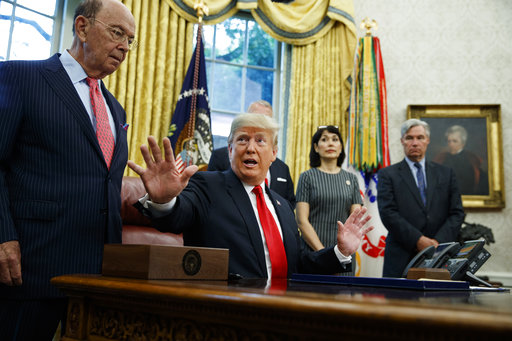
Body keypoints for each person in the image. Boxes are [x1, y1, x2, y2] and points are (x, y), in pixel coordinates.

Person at [0, 0, 135, 338]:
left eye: (130, 40)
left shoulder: (115, 110)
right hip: (30, 269)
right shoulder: (20, 77)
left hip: (96, 280)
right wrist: (2, 237)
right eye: (117, 33)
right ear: (82, 28)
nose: (124, 46)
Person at [128, 113, 374, 279]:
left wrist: (340, 251)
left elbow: (299, 263)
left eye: (260, 141)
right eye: (242, 140)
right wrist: (163, 200)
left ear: (274, 153)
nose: (251, 148)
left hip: (283, 313)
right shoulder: (207, 185)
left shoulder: (282, 206)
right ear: (231, 149)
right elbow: (175, 218)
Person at [377, 119, 465, 278]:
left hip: (440, 255)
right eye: (409, 138)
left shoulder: (446, 173)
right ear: (402, 141)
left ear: (428, 140)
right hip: (400, 257)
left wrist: (437, 244)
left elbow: (457, 213)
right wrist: (418, 240)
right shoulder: (387, 175)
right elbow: (388, 213)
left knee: (438, 302)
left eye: (420, 137)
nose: (415, 143)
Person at [295, 126, 362, 275]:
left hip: (345, 253)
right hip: (313, 253)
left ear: (341, 147)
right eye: (324, 140)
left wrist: (340, 254)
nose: (330, 143)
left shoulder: (351, 179)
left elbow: (355, 221)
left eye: (335, 140)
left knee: (343, 296)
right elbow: (301, 221)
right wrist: (326, 256)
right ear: (316, 148)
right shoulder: (307, 177)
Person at [208, 100, 296, 207]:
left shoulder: (283, 169)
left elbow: (289, 204)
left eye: (265, 119)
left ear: (274, 152)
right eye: (255, 117)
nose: (259, 124)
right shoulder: (220, 157)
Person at [433, 125, 488, 195]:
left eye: (454, 141)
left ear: (463, 143)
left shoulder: (471, 160)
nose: (451, 144)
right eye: (449, 141)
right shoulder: (441, 158)